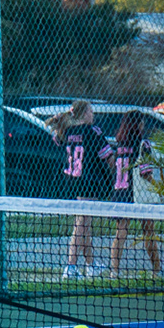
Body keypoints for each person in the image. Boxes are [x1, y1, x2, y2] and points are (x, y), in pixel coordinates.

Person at [49, 100, 111, 280]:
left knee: (86, 224)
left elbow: (56, 138)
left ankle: (90, 264)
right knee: (81, 223)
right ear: (84, 114)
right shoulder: (93, 132)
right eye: (90, 111)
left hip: (74, 180)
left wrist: (58, 121)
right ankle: (71, 265)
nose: (93, 115)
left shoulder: (68, 131)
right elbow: (108, 157)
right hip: (89, 181)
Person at [105, 110, 161, 275]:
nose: (144, 125)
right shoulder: (143, 144)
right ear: (138, 124)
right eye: (142, 122)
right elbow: (146, 172)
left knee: (120, 233)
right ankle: (157, 270)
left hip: (120, 192)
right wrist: (161, 188)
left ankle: (114, 271)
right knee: (149, 232)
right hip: (138, 194)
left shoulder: (120, 145)